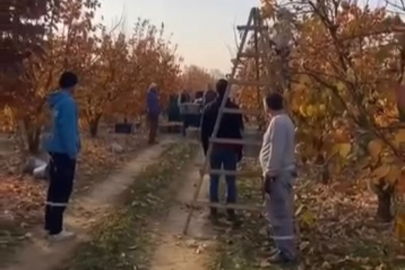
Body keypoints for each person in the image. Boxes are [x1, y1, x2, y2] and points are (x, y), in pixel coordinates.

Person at [259, 92, 297, 264]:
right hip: (281, 174)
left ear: (268, 105)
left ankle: (286, 252)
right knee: (280, 213)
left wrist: (269, 174)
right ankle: (282, 247)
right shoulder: (283, 121)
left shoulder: (278, 122)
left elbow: (276, 151)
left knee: (280, 214)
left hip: (278, 176)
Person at [201, 79, 244, 221]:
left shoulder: (209, 108)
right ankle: (230, 209)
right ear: (227, 90)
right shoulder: (234, 108)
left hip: (215, 148)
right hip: (230, 148)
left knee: (214, 179)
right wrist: (239, 150)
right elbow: (239, 131)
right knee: (230, 180)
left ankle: (213, 208)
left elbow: (204, 132)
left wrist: (206, 149)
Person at [44, 71, 80, 241]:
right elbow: (68, 130)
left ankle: (49, 224)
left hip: (53, 150)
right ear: (73, 85)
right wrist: (73, 151)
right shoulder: (68, 104)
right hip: (63, 152)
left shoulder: (54, 102)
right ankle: (56, 230)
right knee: (62, 189)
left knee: (54, 188)